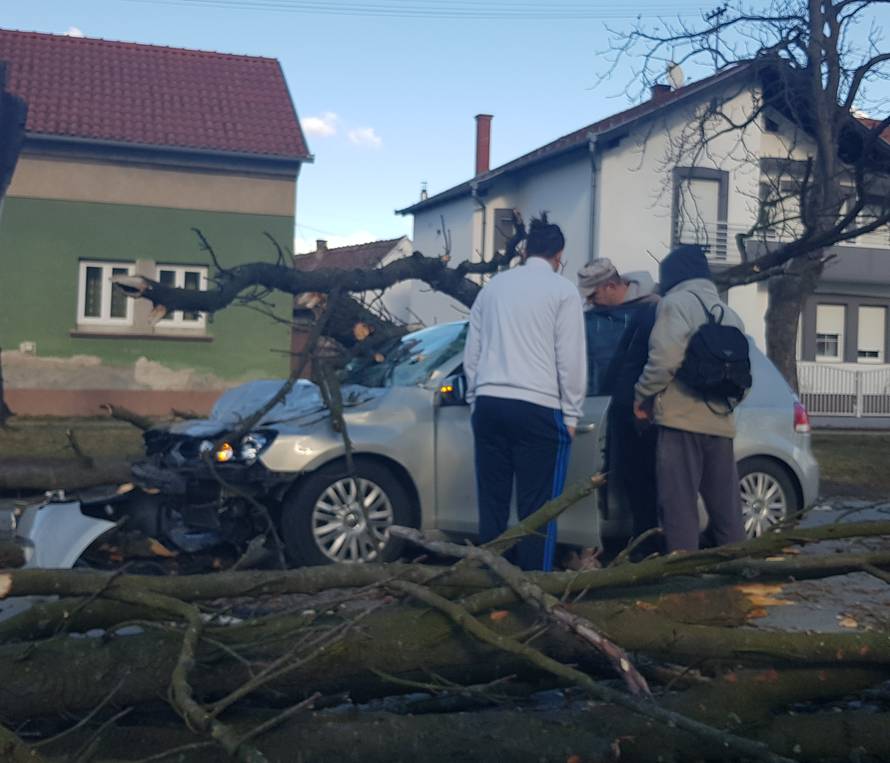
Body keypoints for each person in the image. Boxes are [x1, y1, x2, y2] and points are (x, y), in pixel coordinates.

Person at [464, 214, 587, 571]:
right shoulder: (563, 291)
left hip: (489, 402)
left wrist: (475, 400)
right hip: (538, 406)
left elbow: (473, 351)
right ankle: (534, 589)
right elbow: (571, 357)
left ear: (524, 250)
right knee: (538, 510)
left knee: (493, 503)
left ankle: (488, 582)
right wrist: (572, 412)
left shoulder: (493, 288)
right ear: (558, 255)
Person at [633, 244, 747, 552]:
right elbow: (744, 379)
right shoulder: (730, 313)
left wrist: (641, 395)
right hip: (721, 423)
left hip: (680, 421)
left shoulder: (674, 303)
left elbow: (664, 360)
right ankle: (738, 570)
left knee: (679, 506)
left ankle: (683, 580)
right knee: (727, 509)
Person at [577, 259, 660, 554]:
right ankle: (635, 545)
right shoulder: (596, 318)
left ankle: (648, 547)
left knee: (645, 485)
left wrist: (642, 400)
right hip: (613, 411)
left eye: (593, 295)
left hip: (645, 413)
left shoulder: (652, 308)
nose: (590, 302)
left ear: (612, 286)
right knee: (629, 483)